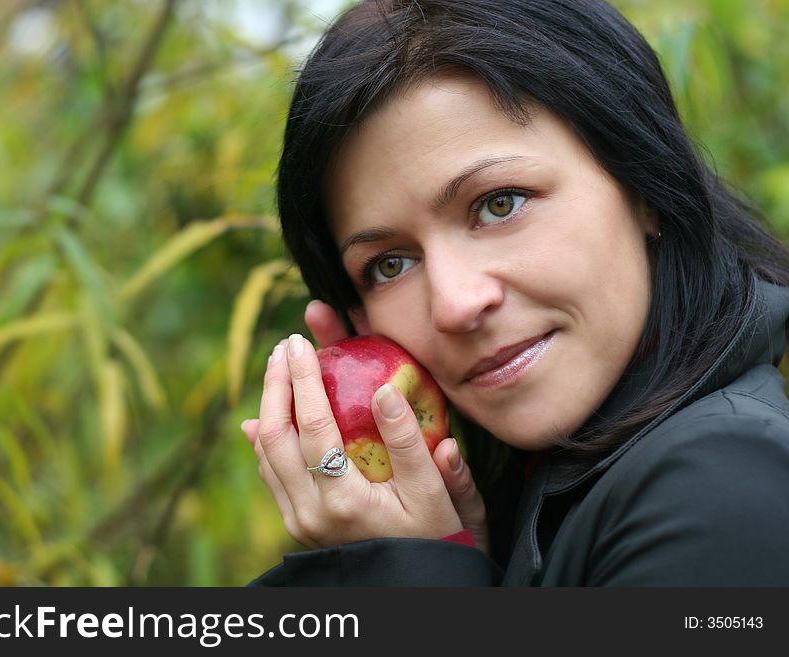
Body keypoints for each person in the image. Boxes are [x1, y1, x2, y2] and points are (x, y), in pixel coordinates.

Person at [240, 0, 789, 586]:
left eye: (500, 203)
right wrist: (457, 557)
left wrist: (404, 580)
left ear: (644, 184)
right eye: (390, 264)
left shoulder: (721, 490)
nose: (455, 304)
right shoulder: (541, 496)